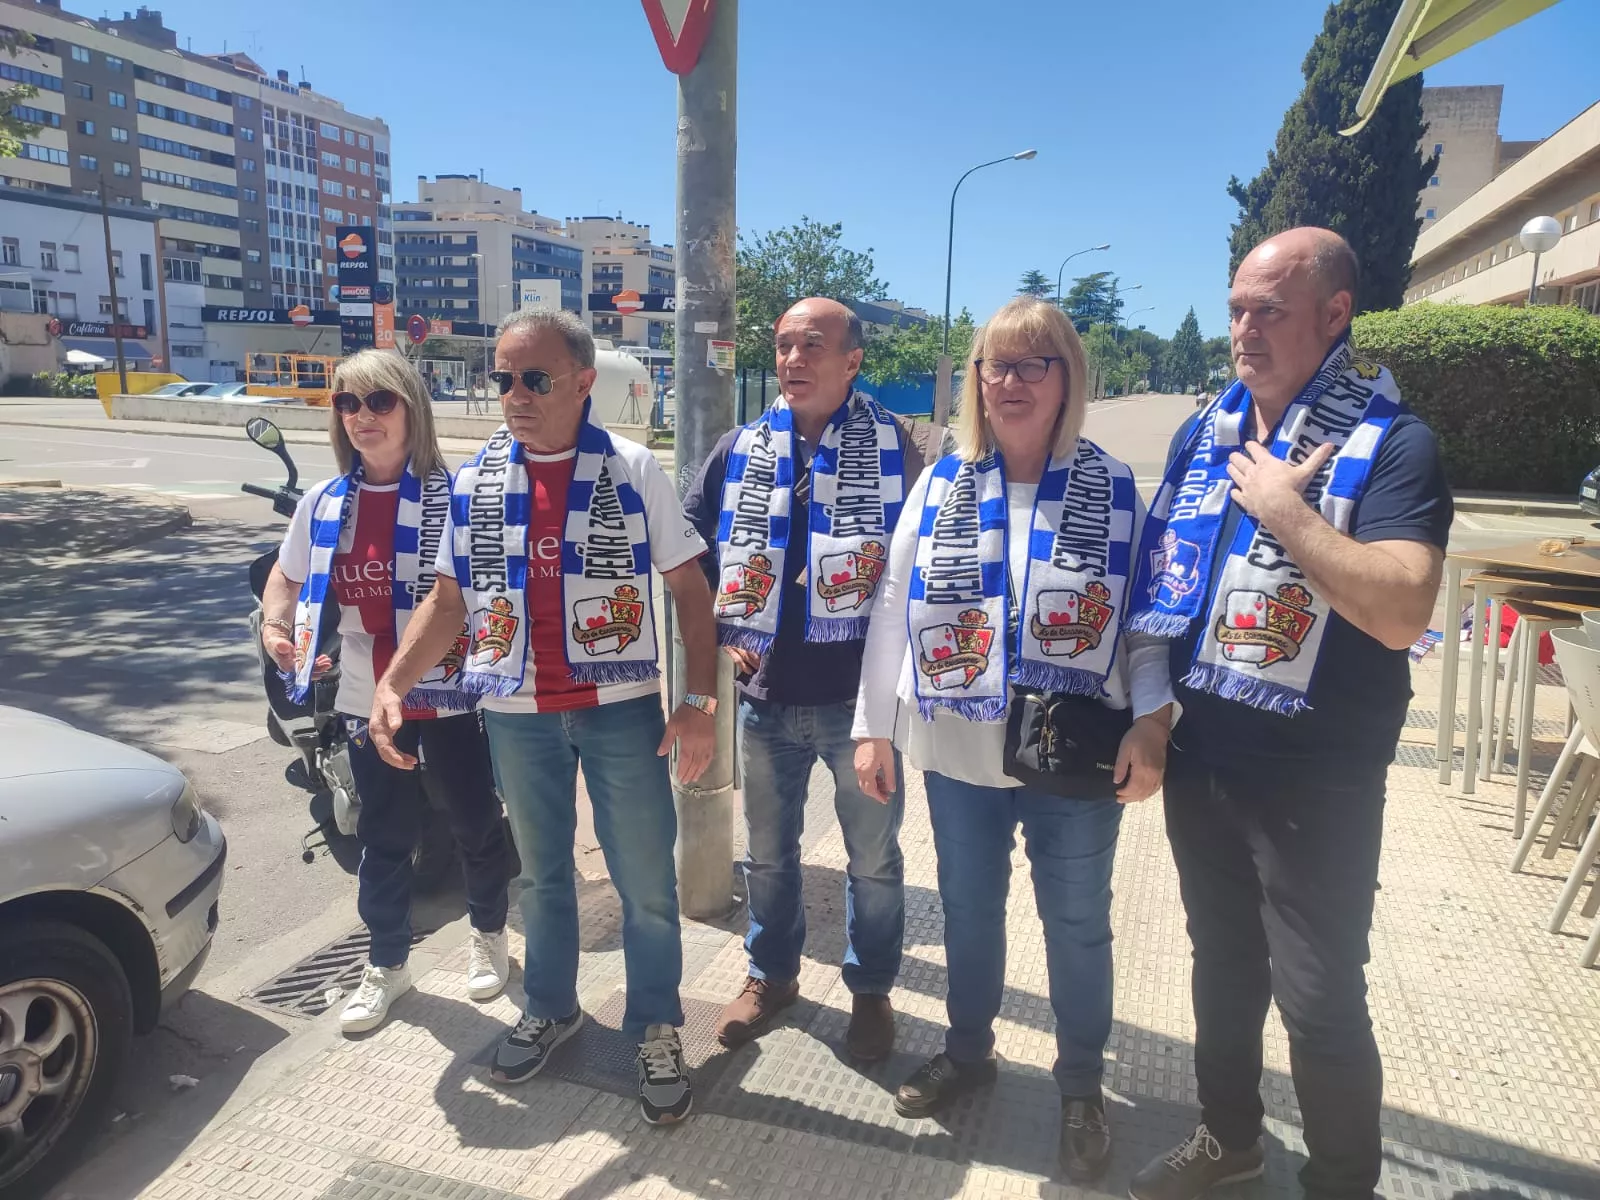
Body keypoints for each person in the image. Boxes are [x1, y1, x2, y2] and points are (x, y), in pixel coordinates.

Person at [1125, 228, 1452, 1200]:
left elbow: (1400, 609)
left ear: (1335, 314)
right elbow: (1160, 589)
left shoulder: (1395, 445)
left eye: (1268, 309)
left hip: (1318, 778)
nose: (1243, 328)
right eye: (1235, 307)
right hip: (1205, 758)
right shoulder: (1203, 436)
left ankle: (1341, 1185)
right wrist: (1148, 717)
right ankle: (1230, 1142)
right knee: (1221, 969)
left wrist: (1288, 512)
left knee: (1317, 1002)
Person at [368, 308, 718, 1127]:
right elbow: (449, 598)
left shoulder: (633, 469)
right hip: (516, 711)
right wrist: (394, 681)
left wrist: (697, 704)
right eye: (502, 380)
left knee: (644, 886)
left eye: (536, 379)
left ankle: (658, 1025)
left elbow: (691, 594)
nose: (515, 396)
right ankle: (553, 1008)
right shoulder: (480, 477)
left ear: (584, 382)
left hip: (620, 709)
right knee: (544, 877)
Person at [852, 297, 1175, 1182]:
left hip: (1074, 753)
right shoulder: (943, 481)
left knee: (1076, 924)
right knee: (967, 909)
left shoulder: (1113, 487)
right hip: (959, 748)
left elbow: (1145, 625)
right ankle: (967, 1049)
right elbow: (891, 606)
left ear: (1068, 379)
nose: (1012, 382)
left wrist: (1153, 720)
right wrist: (871, 728)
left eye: (1035, 364)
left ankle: (1080, 1085)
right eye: (996, 364)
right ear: (976, 381)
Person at [684, 298, 925, 1061]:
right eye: (784, 344)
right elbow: (686, 548)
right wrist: (725, 628)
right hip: (765, 700)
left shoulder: (900, 451)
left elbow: (931, 567)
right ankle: (770, 976)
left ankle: (872, 991)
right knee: (768, 854)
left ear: (852, 361)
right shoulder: (740, 447)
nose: (792, 360)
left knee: (874, 861)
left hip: (860, 708)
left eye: (811, 345)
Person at [260, 348, 512, 1035]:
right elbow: (284, 576)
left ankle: (489, 932)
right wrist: (278, 628)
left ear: (410, 408)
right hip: (365, 687)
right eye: (347, 403)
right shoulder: (324, 501)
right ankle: (387, 963)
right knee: (383, 832)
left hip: (449, 686)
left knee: (473, 820)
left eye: (379, 402)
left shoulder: (453, 493)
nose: (362, 417)